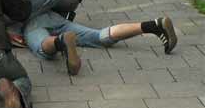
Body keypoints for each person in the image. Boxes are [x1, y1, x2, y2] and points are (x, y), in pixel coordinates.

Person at [24, 10, 177, 76]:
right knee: (99, 36)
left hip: (27, 21)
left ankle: (60, 41)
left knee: (41, 47)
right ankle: (153, 25)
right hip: (50, 14)